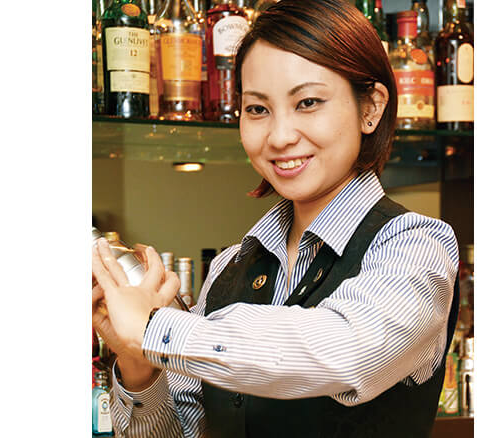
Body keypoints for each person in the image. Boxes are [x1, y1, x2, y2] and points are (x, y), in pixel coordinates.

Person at [91, 0, 460, 437]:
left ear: (371, 107)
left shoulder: (414, 247)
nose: (280, 136)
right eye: (257, 109)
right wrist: (138, 363)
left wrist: (154, 328)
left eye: (308, 102)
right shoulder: (228, 268)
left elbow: (344, 351)